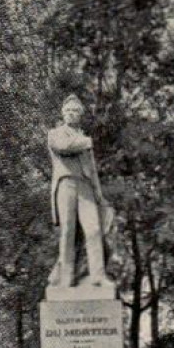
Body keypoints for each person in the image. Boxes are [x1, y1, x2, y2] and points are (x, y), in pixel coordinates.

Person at [47, 94, 113, 288]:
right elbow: (63, 147)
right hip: (65, 184)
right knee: (68, 231)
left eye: (75, 111)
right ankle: (66, 279)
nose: (71, 114)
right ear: (62, 113)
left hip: (86, 188)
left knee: (93, 230)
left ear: (80, 115)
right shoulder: (55, 133)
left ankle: (98, 276)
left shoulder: (84, 139)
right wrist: (86, 142)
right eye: (68, 110)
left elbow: (92, 172)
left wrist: (99, 196)